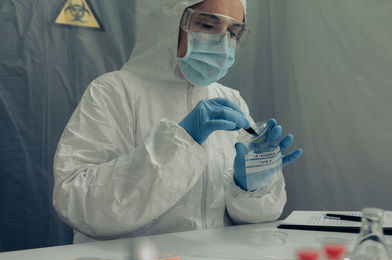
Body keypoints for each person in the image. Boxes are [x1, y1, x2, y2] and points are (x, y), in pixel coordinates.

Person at [52, 0, 302, 243]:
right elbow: (76, 202)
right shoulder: (114, 91)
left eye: (233, 33)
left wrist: (248, 187)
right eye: (207, 26)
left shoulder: (229, 98)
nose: (223, 43)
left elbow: (254, 223)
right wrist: (182, 141)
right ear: (169, 22)